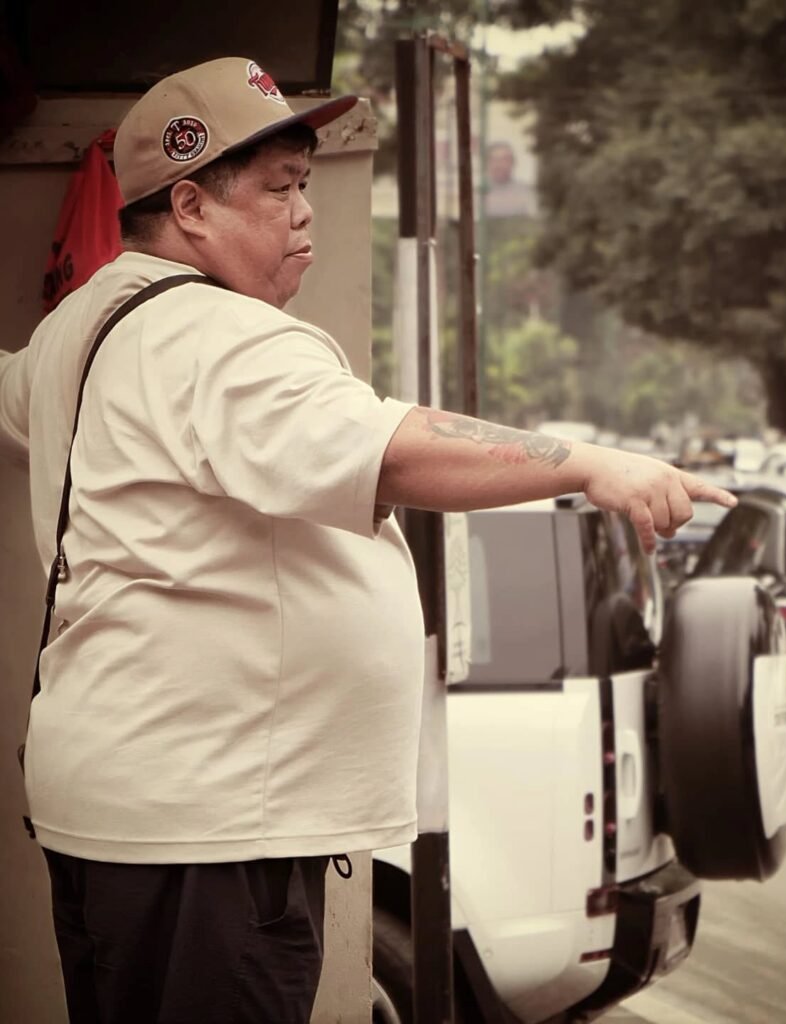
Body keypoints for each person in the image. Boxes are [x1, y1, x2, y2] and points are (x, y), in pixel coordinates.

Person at [0, 57, 735, 1024]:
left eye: (305, 184)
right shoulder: (222, 337)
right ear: (189, 206)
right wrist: (588, 463)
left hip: (121, 814)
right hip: (210, 834)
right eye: (279, 190)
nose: (307, 214)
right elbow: (395, 449)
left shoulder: (81, 327)